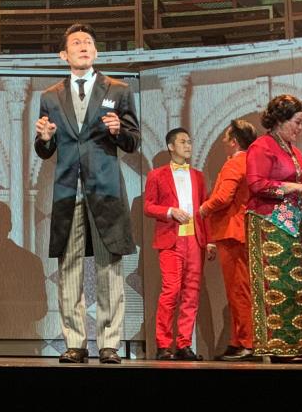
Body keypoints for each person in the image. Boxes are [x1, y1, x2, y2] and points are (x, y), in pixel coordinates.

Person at [34, 23, 138, 364]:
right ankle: (75, 342)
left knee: (109, 267)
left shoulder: (118, 90)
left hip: (105, 189)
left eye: (88, 42)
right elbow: (44, 148)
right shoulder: (50, 96)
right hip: (67, 191)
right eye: (76, 43)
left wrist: (118, 130)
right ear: (64, 54)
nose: (83, 46)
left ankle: (109, 342)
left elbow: (133, 141)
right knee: (70, 268)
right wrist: (45, 138)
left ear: (95, 52)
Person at [245, 94, 302, 360]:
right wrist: (297, 187)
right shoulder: (262, 146)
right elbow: (257, 185)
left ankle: (298, 344)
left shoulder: (293, 151)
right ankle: (277, 346)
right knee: (278, 285)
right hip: (269, 224)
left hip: (295, 224)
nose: (299, 129)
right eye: (296, 122)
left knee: (297, 287)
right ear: (279, 120)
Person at [144, 128, 215, 361]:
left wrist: (210, 240)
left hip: (194, 240)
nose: (188, 146)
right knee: (171, 290)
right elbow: (148, 206)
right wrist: (169, 211)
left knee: (191, 294)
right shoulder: (157, 175)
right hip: (171, 240)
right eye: (183, 142)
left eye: (190, 141)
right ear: (171, 147)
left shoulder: (198, 175)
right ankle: (163, 345)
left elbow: (205, 209)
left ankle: (184, 344)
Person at [199, 119, 258, 361]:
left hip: (233, 232)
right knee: (238, 289)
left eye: (226, 137)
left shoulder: (235, 163)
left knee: (238, 289)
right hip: (239, 231)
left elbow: (223, 197)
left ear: (234, 141)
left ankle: (246, 342)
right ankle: (237, 340)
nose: (224, 141)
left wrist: (203, 208)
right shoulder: (249, 161)